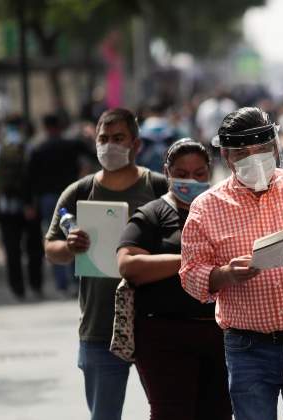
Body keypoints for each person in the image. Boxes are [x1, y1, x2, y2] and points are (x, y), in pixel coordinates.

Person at [180, 107, 283, 420]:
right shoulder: (206, 208)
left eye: (262, 149)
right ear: (226, 157)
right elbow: (191, 274)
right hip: (248, 347)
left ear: (275, 147)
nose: (254, 158)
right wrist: (223, 274)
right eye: (242, 153)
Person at [44, 108, 169, 420]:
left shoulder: (159, 189)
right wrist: (69, 247)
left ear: (136, 145)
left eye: (118, 138)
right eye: (103, 139)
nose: (109, 145)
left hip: (156, 323)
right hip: (100, 328)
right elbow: (51, 248)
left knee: (170, 410)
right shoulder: (79, 192)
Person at [117, 139, 232, 420]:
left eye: (198, 174)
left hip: (220, 336)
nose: (190, 180)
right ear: (167, 173)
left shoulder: (223, 211)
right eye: (181, 174)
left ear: (210, 172)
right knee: (172, 412)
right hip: (163, 336)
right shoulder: (153, 215)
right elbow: (128, 264)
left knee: (219, 412)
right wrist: (188, 263)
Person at [28, 113, 96, 295]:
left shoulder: (38, 148)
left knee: (54, 238)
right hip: (70, 197)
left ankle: (61, 285)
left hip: (48, 199)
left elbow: (30, 178)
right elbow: (94, 155)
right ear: (60, 125)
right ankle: (76, 281)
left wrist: (32, 203)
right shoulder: (71, 144)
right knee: (75, 235)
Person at [0, 115, 44, 300]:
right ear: (21, 127)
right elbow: (36, 179)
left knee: (12, 250)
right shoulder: (30, 148)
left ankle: (17, 289)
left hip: (6, 207)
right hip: (30, 207)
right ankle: (36, 285)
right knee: (34, 249)